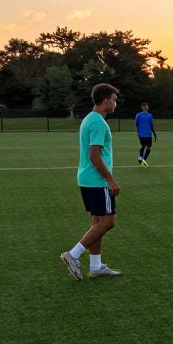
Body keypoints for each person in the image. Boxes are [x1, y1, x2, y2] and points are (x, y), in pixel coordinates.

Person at [60, 83, 123, 280]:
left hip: (87, 179)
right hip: (97, 181)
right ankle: (72, 255)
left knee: (97, 222)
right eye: (113, 99)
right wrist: (111, 180)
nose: (115, 103)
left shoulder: (91, 119)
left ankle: (95, 266)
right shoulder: (97, 122)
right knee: (107, 222)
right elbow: (95, 155)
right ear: (105, 100)